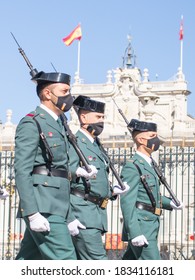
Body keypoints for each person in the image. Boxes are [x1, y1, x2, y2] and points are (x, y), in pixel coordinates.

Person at [14, 72, 97, 260]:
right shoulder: (32, 121)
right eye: (64, 91)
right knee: (66, 260)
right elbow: (22, 170)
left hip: (57, 204)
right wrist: (32, 213)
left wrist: (68, 215)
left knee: (28, 261)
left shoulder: (60, 124)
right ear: (47, 94)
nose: (69, 96)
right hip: (42, 204)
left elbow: (60, 171)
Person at [68, 95, 130, 260]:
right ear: (83, 117)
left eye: (103, 117)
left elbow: (97, 180)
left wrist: (112, 191)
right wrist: (77, 171)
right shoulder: (75, 142)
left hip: (97, 213)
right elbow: (64, 171)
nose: (101, 121)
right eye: (98, 117)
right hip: (82, 211)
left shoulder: (96, 144)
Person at [120, 119, 183, 260]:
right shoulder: (133, 166)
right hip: (141, 225)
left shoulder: (149, 164)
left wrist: (169, 202)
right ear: (141, 140)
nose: (156, 139)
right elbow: (127, 202)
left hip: (151, 223)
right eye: (152, 136)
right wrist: (135, 232)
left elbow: (150, 195)